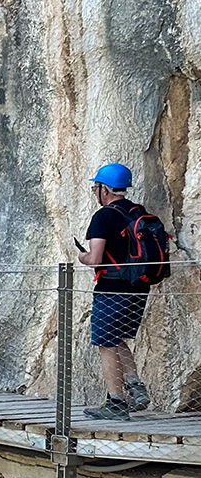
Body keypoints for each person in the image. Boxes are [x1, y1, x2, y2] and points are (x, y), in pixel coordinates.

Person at [79, 163, 152, 420]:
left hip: (111, 289)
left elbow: (96, 258)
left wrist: (82, 257)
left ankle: (116, 402)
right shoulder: (137, 211)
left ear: (105, 189)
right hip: (139, 288)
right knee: (117, 336)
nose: (95, 192)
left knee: (105, 343)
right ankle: (135, 386)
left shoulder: (104, 217)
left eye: (95, 187)